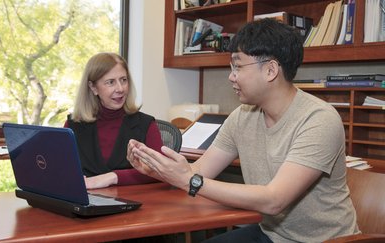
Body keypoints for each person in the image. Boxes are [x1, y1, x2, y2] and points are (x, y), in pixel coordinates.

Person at [127, 18, 360, 242]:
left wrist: (190, 181)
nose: (231, 76)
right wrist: (155, 168)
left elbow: (274, 200)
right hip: (272, 235)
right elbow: (199, 170)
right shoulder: (242, 117)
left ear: (270, 70)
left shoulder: (319, 119)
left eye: (237, 66)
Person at [65, 52, 163, 189]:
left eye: (123, 80)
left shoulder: (146, 125)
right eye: (110, 82)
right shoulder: (73, 125)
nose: (120, 89)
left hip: (132, 203)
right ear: (93, 87)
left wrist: (113, 177)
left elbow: (161, 171)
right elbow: (60, 169)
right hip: (85, 203)